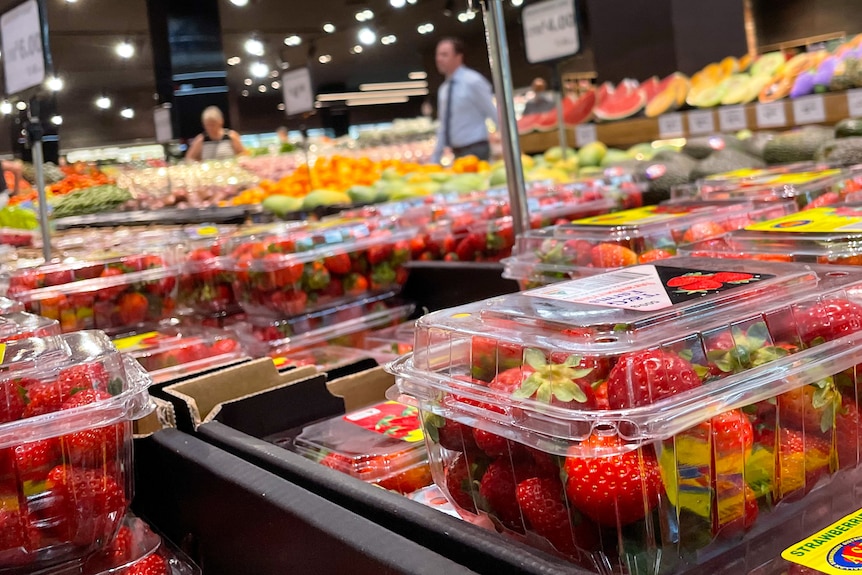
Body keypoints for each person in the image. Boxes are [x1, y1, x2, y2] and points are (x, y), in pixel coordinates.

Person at [431, 38, 497, 163]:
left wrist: (512, 145)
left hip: (477, 149)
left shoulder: (473, 81)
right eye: (437, 55)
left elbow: (493, 112)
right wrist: (436, 158)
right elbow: (443, 124)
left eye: (444, 55)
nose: (439, 59)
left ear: (458, 57)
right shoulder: (444, 89)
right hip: (456, 152)